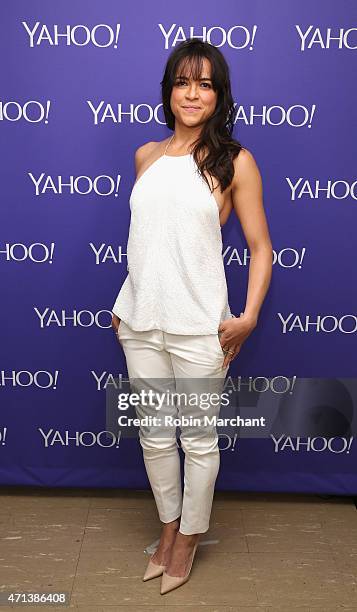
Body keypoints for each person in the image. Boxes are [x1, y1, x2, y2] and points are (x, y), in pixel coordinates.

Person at [111, 38, 273, 595]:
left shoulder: (234, 161)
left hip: (201, 326)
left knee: (198, 441)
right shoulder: (145, 155)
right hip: (140, 323)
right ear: (169, 90)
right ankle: (167, 525)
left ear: (219, 95)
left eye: (205, 84)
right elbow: (148, 240)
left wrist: (248, 315)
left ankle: (190, 537)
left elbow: (260, 247)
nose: (192, 93)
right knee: (155, 437)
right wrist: (127, 302)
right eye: (183, 81)